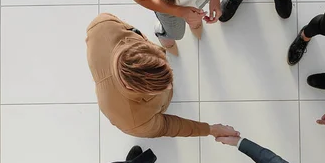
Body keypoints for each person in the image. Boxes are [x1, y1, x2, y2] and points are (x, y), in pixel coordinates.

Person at [86, 12, 239, 139]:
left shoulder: (102, 25)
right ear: (131, 86)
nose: (170, 86)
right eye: (159, 87)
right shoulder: (133, 120)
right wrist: (210, 130)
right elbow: (167, 126)